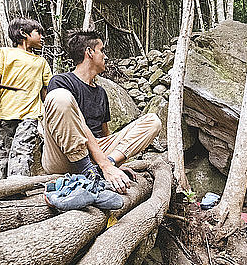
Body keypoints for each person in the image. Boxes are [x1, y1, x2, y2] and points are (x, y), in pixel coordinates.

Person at [42, 30, 162, 194]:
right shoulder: (61, 81)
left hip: (97, 155)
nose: (105, 56)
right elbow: (79, 125)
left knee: (153, 121)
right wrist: (103, 163)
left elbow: (105, 134)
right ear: (89, 52)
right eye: (102, 50)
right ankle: (90, 171)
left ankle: (99, 170)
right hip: (62, 156)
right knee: (59, 97)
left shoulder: (101, 93)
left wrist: (112, 164)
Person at [0, 18, 52, 178]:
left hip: (29, 115)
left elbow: (45, 91)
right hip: (5, 113)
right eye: (39, 33)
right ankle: (5, 189)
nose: (43, 37)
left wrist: (50, 113)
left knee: (22, 152)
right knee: (4, 154)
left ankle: (17, 186)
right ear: (23, 33)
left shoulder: (41, 62)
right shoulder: (4, 53)